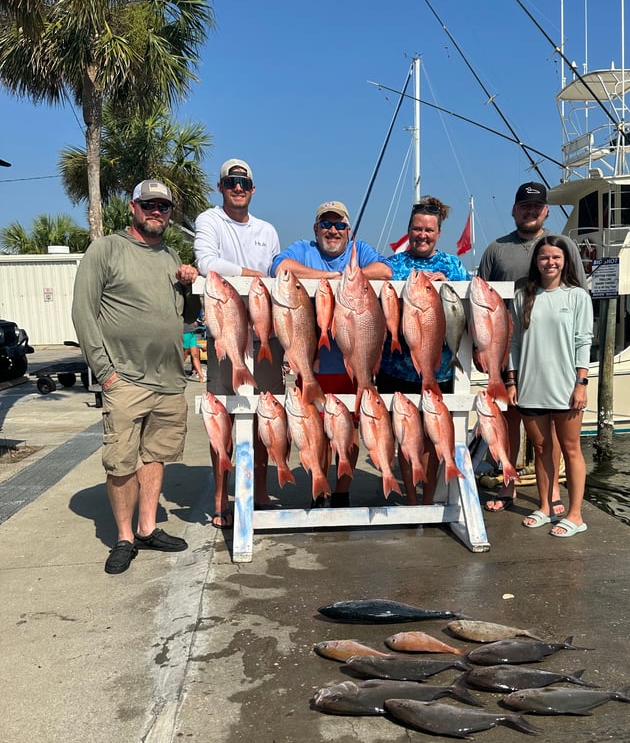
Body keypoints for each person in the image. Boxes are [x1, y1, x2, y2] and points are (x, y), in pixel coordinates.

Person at [72, 179, 200, 575]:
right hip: (124, 378)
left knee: (155, 455)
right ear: (133, 207)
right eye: (150, 205)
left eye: (163, 205)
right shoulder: (107, 249)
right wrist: (105, 373)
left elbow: (186, 319)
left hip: (167, 379)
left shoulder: (170, 256)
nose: (157, 211)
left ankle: (147, 527)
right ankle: (124, 537)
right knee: (121, 461)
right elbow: (83, 312)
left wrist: (189, 287)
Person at [270, 200, 392, 506]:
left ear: (348, 230)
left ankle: (342, 492)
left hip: (353, 365)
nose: (333, 230)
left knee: (348, 432)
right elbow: (280, 267)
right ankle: (320, 487)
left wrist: (350, 278)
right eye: (326, 224)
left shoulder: (358, 251)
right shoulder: (304, 249)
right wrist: (330, 280)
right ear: (316, 228)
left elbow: (385, 270)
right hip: (311, 365)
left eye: (339, 225)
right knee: (315, 430)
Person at [477, 180, 587, 514]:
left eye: (536, 207)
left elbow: (578, 295)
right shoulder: (496, 249)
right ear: (514, 210)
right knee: (507, 420)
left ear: (545, 211)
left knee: (551, 428)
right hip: (506, 350)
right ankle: (508, 483)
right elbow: (478, 300)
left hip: (551, 355)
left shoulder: (561, 244)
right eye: (524, 206)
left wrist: (581, 375)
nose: (530, 211)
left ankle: (552, 492)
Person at [194, 158, 283, 526]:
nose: (238, 187)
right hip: (226, 331)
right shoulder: (209, 220)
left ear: (253, 188)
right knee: (223, 415)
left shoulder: (268, 230)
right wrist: (249, 274)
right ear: (221, 187)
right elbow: (205, 263)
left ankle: (260, 489)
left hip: (264, 336)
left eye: (244, 182)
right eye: (231, 182)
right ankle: (220, 497)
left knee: (268, 413)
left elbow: (278, 272)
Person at [377, 196, 470, 504]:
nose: (422, 235)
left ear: (438, 233)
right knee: (405, 436)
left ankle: (428, 499)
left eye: (429, 230)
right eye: (417, 229)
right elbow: (370, 277)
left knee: (431, 437)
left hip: (438, 368)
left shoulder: (452, 265)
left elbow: (469, 299)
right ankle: (411, 501)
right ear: (409, 230)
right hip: (396, 368)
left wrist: (446, 284)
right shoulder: (395, 264)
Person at [505, 235, 593, 536]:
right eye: (544, 257)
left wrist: (581, 383)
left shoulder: (578, 296)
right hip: (531, 386)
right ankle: (544, 506)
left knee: (571, 449)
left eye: (556, 257)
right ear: (536, 262)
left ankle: (575, 514)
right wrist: (512, 381)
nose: (550, 262)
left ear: (565, 260)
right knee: (542, 448)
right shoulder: (522, 296)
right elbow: (514, 342)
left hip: (566, 387)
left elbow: (584, 342)